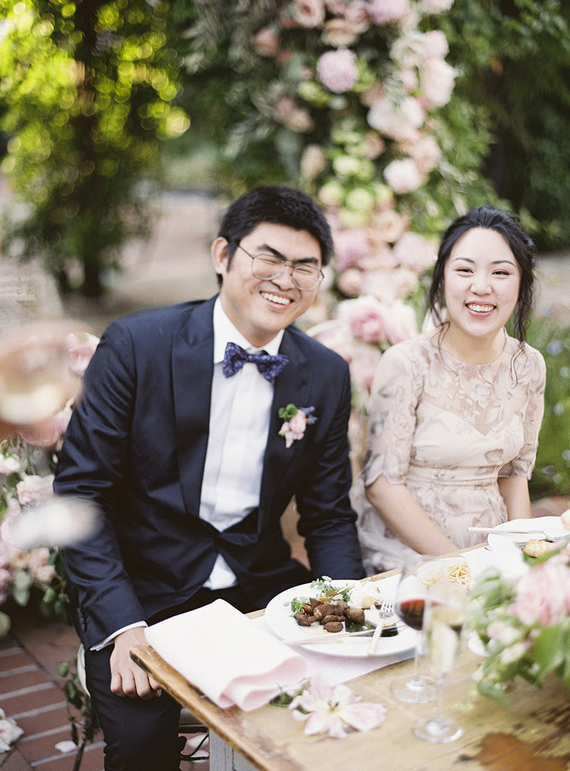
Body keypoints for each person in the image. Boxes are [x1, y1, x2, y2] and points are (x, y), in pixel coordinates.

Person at [53, 185, 365, 770]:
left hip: (260, 578)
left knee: (342, 712)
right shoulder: (136, 345)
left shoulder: (324, 375)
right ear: (223, 256)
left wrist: (344, 608)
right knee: (142, 748)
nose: (285, 278)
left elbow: (328, 514)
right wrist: (122, 623)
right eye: (268, 257)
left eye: (305, 266)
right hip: (143, 589)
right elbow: (80, 493)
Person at [354, 205, 546, 574]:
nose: (481, 287)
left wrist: (522, 558)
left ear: (522, 285)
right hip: (413, 555)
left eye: (501, 273)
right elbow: (381, 485)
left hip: (492, 549)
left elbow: (515, 474)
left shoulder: (529, 364)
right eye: (464, 270)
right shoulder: (406, 363)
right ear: (442, 279)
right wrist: (460, 567)